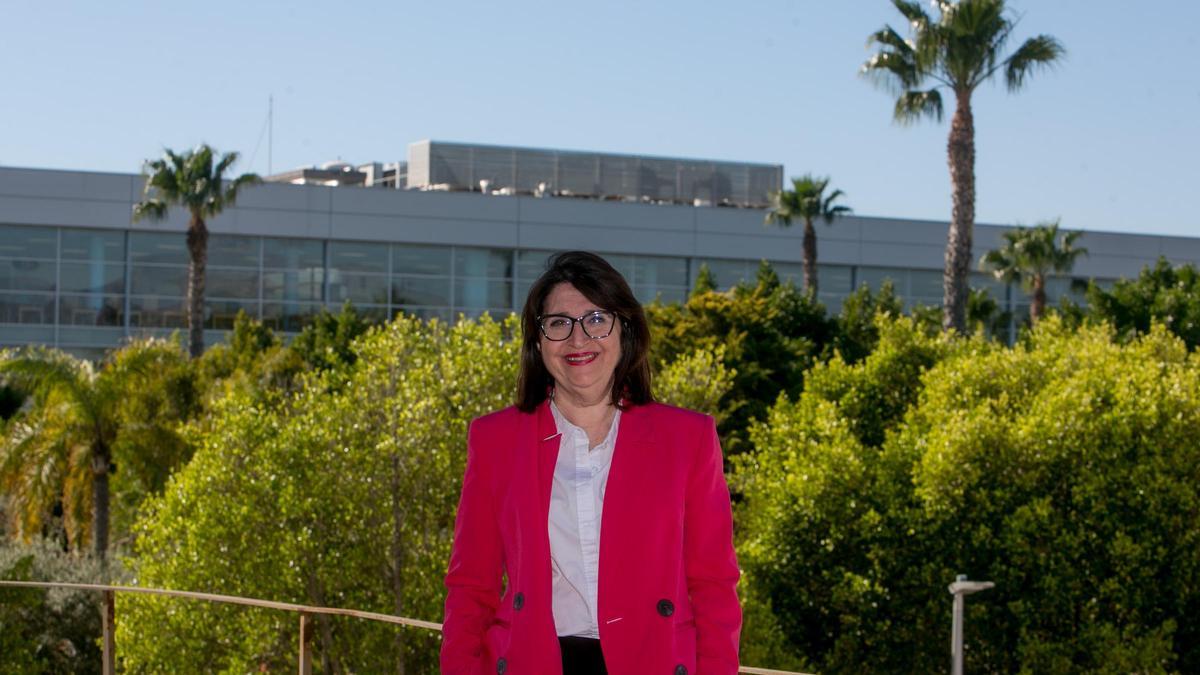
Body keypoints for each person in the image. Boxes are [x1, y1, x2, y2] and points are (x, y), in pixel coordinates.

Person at [441, 251, 741, 675]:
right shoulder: (496, 441)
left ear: (625, 330)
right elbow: (470, 588)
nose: (578, 340)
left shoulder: (687, 439)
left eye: (597, 319)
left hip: (652, 661)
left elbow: (714, 586)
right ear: (538, 341)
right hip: (535, 661)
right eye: (558, 323)